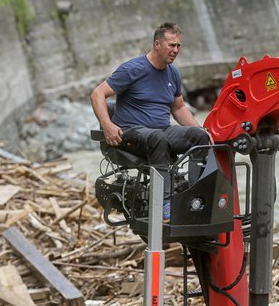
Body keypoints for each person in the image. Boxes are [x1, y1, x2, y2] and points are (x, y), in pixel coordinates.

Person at [90, 22, 210, 221]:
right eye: (171, 45)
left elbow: (179, 108)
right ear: (157, 44)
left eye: (179, 46)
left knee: (200, 136)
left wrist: (202, 129)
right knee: (157, 138)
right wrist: (107, 125)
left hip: (161, 131)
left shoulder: (172, 73)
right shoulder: (133, 69)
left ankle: (197, 195)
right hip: (130, 132)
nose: (176, 50)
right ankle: (164, 204)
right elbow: (97, 94)